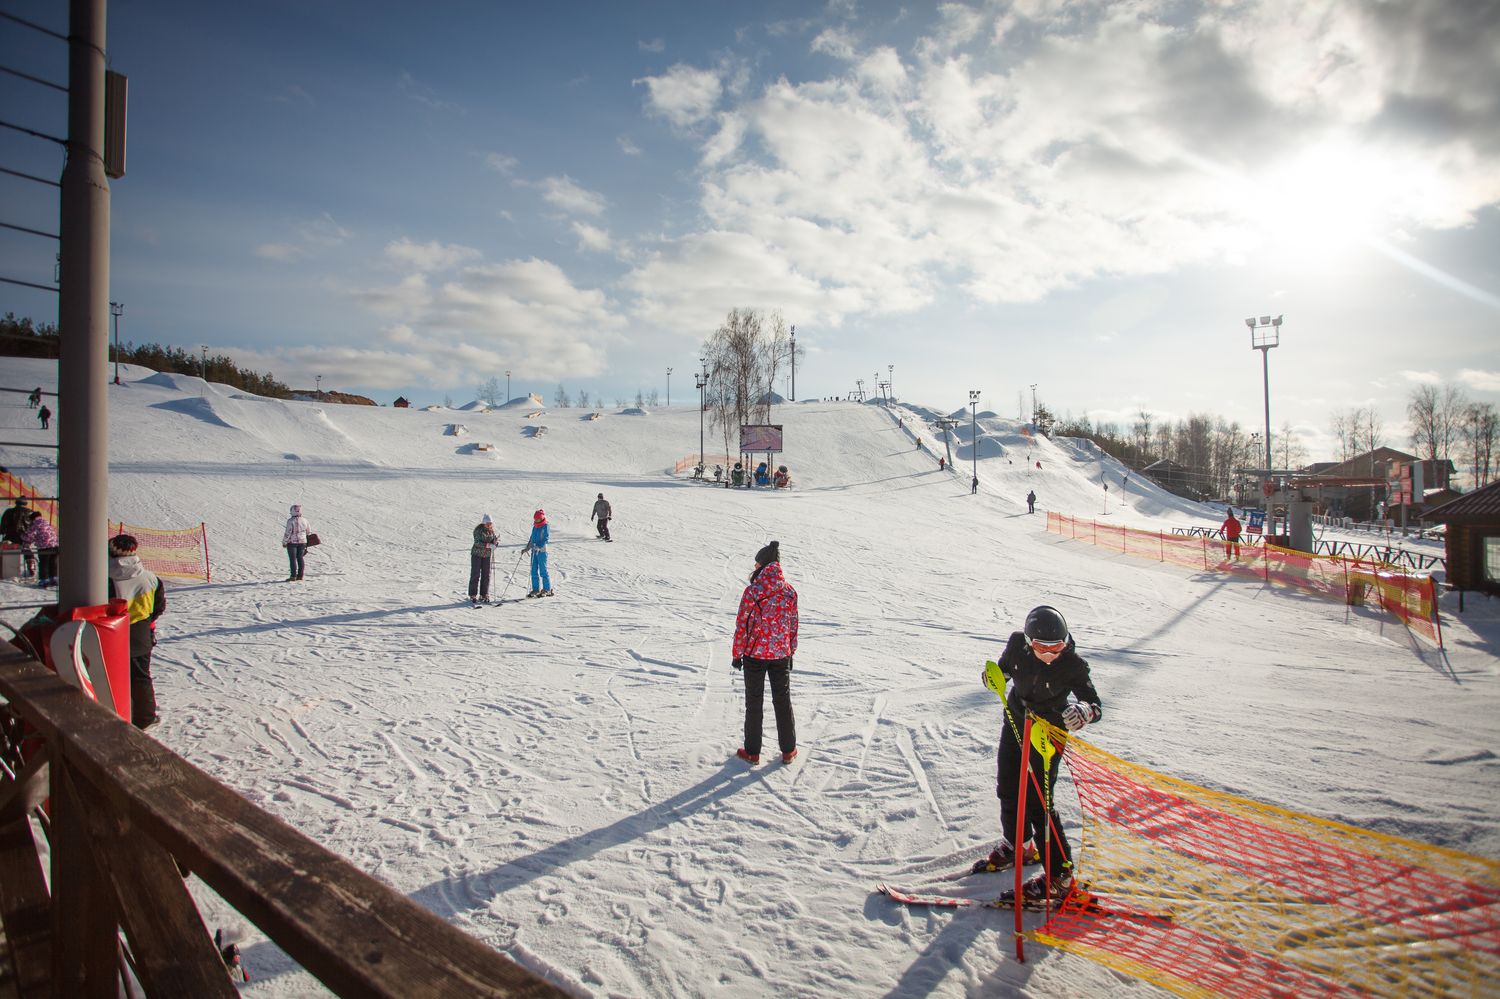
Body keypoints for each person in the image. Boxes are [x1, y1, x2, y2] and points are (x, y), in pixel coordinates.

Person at [978, 605, 1102, 903]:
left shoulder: (1072, 664)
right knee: (1007, 786)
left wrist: (1084, 711)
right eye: (1041, 647)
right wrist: (995, 676)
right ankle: (1019, 846)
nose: (1049, 654)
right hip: (1017, 719)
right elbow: (1005, 668)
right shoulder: (1016, 645)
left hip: (1048, 731)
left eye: (1056, 647)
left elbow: (1093, 703)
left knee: (1038, 801)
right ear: (1028, 642)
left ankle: (1060, 877)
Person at [732, 541, 798, 765]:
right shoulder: (790, 592)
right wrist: (791, 652)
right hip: (780, 655)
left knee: (754, 702)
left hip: (755, 656)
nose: (755, 565)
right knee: (782, 700)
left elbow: (742, 625)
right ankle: (788, 750)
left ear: (763, 565)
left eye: (757, 562)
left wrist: (736, 654)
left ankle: (752, 752)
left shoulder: (753, 592)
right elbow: (793, 626)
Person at [106, 534, 166, 729]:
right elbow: (159, 607)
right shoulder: (150, 578)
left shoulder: (104, 579)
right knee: (140, 675)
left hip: (110, 633)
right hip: (140, 632)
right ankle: (145, 717)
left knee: (108, 674)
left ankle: (114, 711)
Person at [22, 510, 58, 586]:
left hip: (44, 547)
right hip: (55, 546)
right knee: (52, 563)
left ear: (32, 518)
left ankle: (44, 580)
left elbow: (29, 536)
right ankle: (53, 578)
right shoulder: (46, 522)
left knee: (43, 564)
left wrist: (22, 536)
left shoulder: (35, 524)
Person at [470, 514, 498, 604]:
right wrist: (488, 545)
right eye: (488, 523)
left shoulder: (491, 531)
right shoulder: (478, 530)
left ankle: (484, 594)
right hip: (477, 555)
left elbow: (494, 540)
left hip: (486, 556)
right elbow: (477, 542)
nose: (489, 525)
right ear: (484, 523)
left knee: (486, 575)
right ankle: (473, 594)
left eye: (490, 524)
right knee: (476, 574)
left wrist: (495, 544)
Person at [523, 509, 552, 596]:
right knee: (533, 570)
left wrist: (539, 546)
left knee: (543, 570)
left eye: (537, 519)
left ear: (541, 518)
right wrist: (527, 548)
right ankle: (536, 589)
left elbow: (546, 538)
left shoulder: (545, 526)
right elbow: (532, 538)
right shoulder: (535, 526)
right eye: (535, 519)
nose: (536, 520)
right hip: (534, 551)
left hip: (542, 551)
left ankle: (547, 589)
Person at [282, 504, 312, 581]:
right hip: (303, 542)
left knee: (293, 559)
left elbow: (288, 533)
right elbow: (309, 532)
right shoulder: (305, 520)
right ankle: (300, 576)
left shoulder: (290, 521)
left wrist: (284, 542)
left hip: (292, 543)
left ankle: (293, 576)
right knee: (300, 558)